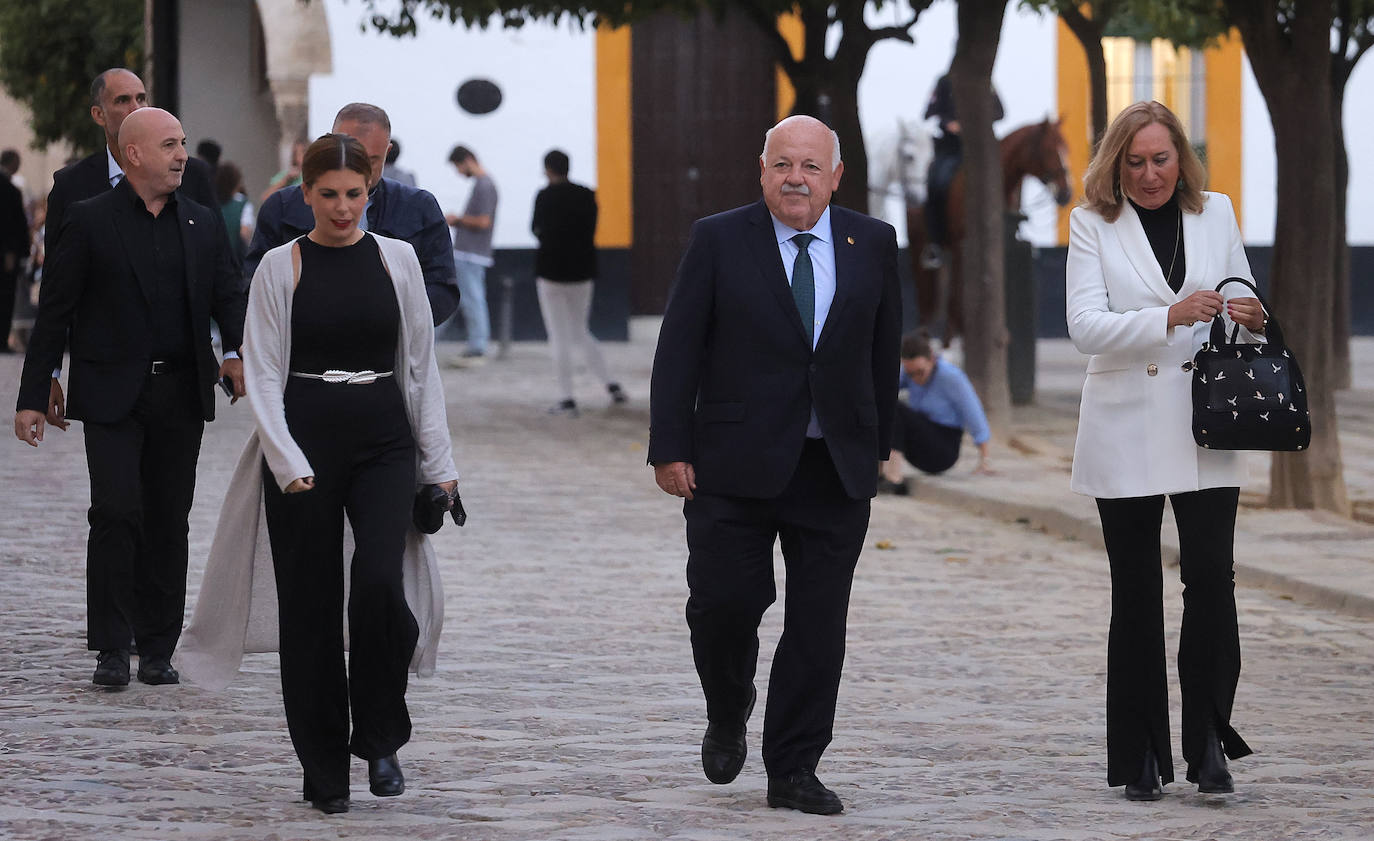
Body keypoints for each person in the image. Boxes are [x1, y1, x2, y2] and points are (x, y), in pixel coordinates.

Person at [179, 133, 459, 816]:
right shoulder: (281, 265)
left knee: (378, 585)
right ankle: (324, 766)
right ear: (304, 194)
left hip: (384, 437)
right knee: (308, 610)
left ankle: (380, 730)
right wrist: (286, 457)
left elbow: (420, 367)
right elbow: (265, 372)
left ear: (371, 192)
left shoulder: (398, 260)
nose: (341, 208)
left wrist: (441, 466)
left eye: (353, 194)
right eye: (327, 195)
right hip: (302, 439)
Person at [649, 115, 901, 815]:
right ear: (762, 170)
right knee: (725, 604)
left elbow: (884, 351)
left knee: (819, 627)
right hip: (732, 463)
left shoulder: (872, 242)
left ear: (835, 177)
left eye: (811, 167)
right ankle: (728, 706)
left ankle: (793, 767)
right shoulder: (719, 239)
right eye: (783, 164)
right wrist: (669, 445)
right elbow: (679, 347)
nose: (797, 178)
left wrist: (879, 446)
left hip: (834, 468)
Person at [1066, 100, 1266, 801]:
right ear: (1116, 164)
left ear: (1181, 156)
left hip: (1206, 423)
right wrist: (1168, 316)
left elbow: (1245, 309)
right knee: (1138, 591)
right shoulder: (1092, 222)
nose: (1150, 174)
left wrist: (1251, 318)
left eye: (1161, 158)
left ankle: (1209, 738)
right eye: (1135, 161)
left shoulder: (1217, 211)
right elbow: (1084, 325)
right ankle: (1142, 753)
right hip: (1124, 429)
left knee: (1212, 581)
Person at [12, 107, 248, 687]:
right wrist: (33, 392)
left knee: (169, 518)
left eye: (183, 143)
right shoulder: (91, 221)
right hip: (113, 392)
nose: (181, 155)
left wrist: (238, 351)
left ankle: (158, 646)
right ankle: (113, 647)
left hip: (181, 390)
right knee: (116, 512)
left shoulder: (200, 221)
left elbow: (229, 294)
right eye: (169, 145)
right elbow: (56, 313)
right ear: (133, 153)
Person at [39, 69, 221, 428]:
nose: (135, 106)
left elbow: (222, 271)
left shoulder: (193, 178)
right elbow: (56, 289)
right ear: (99, 114)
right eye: (122, 100)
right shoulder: (73, 186)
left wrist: (233, 348)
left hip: (179, 379)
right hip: (106, 374)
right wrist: (48, 372)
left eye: (141, 98)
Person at [247, 104, 459, 326]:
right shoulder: (282, 208)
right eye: (346, 156)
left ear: (387, 153)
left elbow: (441, 288)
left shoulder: (418, 210)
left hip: (392, 349)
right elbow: (255, 286)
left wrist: (390, 322)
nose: (357, 170)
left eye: (370, 160)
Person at [531, 149, 625, 415]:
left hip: (551, 273)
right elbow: (591, 229)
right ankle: (611, 385)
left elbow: (535, 229)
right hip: (582, 273)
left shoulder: (544, 196)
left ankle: (567, 398)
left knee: (559, 336)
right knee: (580, 330)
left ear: (548, 169)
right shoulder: (586, 195)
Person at [878, 329, 991, 493]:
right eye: (911, 374)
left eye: (920, 372)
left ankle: (894, 478)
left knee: (895, 408)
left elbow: (973, 414)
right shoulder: (908, 374)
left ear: (931, 360)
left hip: (943, 448)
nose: (916, 378)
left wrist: (985, 459)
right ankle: (879, 471)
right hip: (918, 445)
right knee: (884, 403)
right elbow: (886, 390)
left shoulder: (951, 377)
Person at [921, 72, 1003, 268]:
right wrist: (949, 124)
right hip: (950, 150)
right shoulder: (944, 82)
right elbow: (930, 112)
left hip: (980, 151)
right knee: (936, 183)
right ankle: (935, 243)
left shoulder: (984, 81)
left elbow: (1000, 112)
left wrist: (975, 124)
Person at [443, 145, 495, 361]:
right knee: (468, 298)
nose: (458, 172)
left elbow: (483, 221)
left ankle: (478, 344)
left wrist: (457, 220)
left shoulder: (484, 185)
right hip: (473, 252)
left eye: (458, 166)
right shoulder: (484, 184)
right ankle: (477, 343)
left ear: (467, 160)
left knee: (471, 300)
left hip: (471, 252)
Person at [0, 162, 25, 352]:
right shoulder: (9, 190)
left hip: (6, 253)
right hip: (6, 254)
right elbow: (12, 223)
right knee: (6, 298)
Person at [214, 161, 255, 262]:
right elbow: (245, 233)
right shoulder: (242, 204)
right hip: (235, 260)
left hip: (214, 258)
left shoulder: (211, 203)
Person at [260, 139, 306, 203]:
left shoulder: (317, 176)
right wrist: (286, 180)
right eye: (302, 152)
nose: (305, 156)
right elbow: (266, 198)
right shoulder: (286, 175)